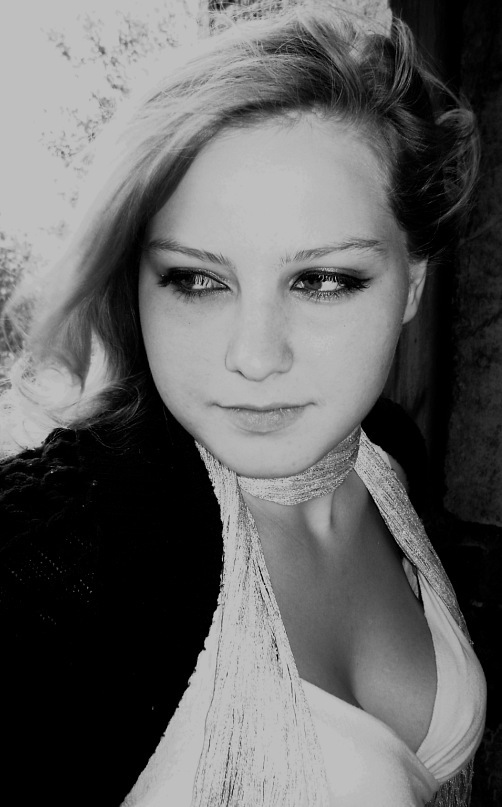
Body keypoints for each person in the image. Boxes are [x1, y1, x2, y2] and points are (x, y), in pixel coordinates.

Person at [0, 2, 486, 805]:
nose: (255, 357)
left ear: (412, 285)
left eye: (323, 280)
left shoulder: (387, 455)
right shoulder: (77, 547)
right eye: (197, 279)